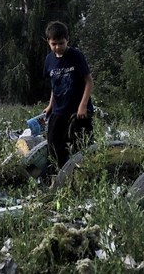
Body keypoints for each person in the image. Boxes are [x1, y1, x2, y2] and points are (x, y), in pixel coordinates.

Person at [42, 20, 95, 174]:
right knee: (54, 143)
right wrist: (50, 105)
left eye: (61, 43)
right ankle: (61, 176)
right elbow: (55, 84)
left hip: (78, 111)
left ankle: (84, 176)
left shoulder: (76, 56)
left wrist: (83, 105)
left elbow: (89, 82)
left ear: (67, 40)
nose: (57, 47)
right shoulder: (49, 60)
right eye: (54, 44)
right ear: (48, 42)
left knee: (82, 146)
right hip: (59, 110)